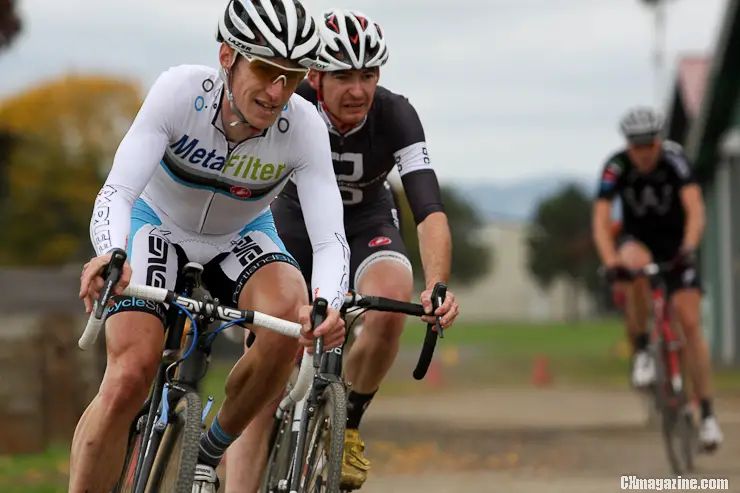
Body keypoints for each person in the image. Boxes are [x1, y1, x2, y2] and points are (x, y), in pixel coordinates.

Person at [71, 1, 351, 492]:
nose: (276, 91)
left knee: (288, 317)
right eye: (265, 70)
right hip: (157, 223)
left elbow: (330, 239)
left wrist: (327, 303)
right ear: (227, 56)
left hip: (239, 234)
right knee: (128, 378)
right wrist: (112, 253)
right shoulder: (179, 92)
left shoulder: (304, 127)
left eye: (292, 76)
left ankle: (208, 451)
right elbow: (117, 192)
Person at [224, 9, 460, 492]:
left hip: (367, 221)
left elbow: (429, 208)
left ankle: (345, 423)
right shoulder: (290, 101)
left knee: (392, 298)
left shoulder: (395, 114)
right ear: (314, 75)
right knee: (271, 358)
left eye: (368, 75)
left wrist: (437, 285)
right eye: (343, 76)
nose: (358, 90)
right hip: (293, 219)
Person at [592, 106, 723, 451]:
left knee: (690, 324)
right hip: (639, 243)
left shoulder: (676, 162)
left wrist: (690, 246)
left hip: (676, 246)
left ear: (659, 141)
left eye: (649, 144)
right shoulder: (615, 167)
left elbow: (695, 208)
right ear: (627, 146)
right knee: (632, 265)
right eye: (637, 146)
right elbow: (601, 219)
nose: (644, 152)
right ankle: (642, 352)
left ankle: (706, 413)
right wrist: (610, 261)